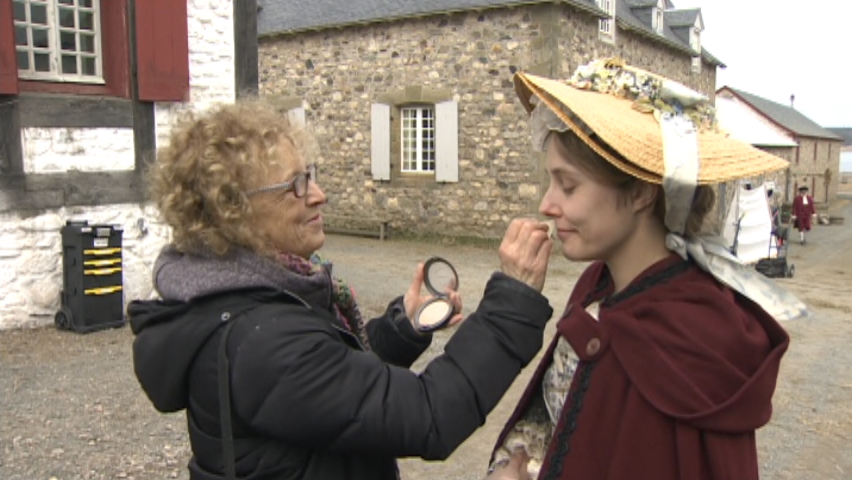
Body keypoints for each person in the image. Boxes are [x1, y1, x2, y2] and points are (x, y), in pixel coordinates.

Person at [128, 100, 555, 480]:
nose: (318, 194)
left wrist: (401, 329)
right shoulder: (263, 341)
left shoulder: (246, 299)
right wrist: (511, 302)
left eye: (310, 176)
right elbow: (429, 414)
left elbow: (337, 385)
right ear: (234, 212)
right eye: (295, 186)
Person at [485, 58, 807, 480]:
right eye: (551, 181)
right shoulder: (598, 286)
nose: (547, 204)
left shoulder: (696, 333)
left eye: (568, 185)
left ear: (640, 192)